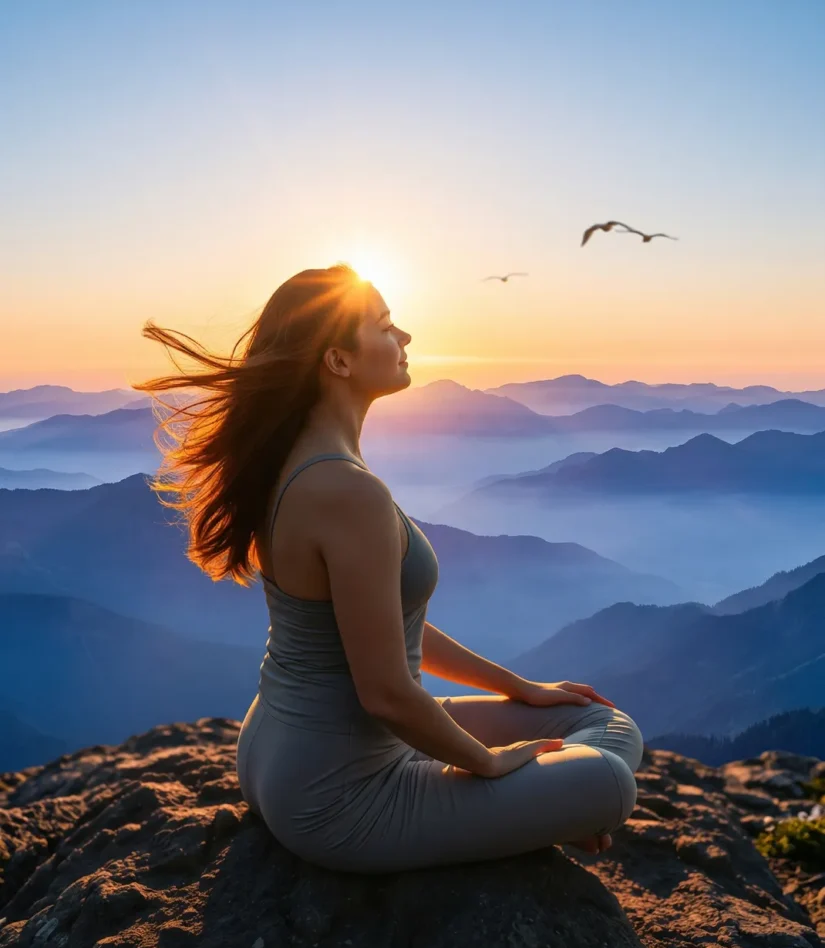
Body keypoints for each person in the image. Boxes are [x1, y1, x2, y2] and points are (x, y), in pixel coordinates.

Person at [135, 263, 643, 874]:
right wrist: (490, 766)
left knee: (587, 716)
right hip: (343, 797)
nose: (405, 337)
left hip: (282, 756)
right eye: (384, 326)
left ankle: (525, 809)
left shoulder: (299, 463)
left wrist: (521, 689)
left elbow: (384, 625)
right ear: (338, 360)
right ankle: (536, 809)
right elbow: (385, 694)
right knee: (610, 777)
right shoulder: (346, 491)